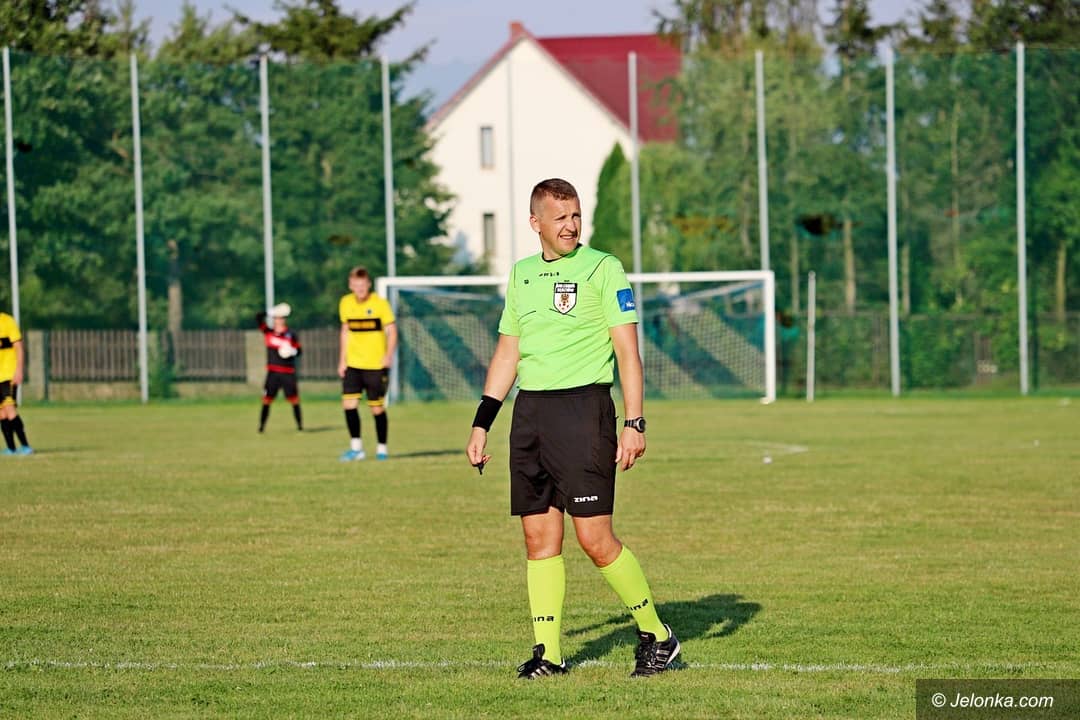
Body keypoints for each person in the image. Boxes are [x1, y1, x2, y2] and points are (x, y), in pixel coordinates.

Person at [465, 178, 679, 679]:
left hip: (585, 412)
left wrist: (634, 422)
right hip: (530, 415)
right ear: (535, 223)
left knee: (594, 539)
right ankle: (550, 653)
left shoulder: (604, 268)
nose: (571, 225)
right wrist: (481, 423)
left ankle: (658, 636)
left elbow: (628, 353)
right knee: (538, 539)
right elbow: (508, 353)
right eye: (560, 217)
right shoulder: (521, 275)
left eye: (576, 215)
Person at [338, 267, 397, 461]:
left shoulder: (380, 304)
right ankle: (356, 449)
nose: (360, 289)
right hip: (353, 364)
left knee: (376, 408)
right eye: (356, 285)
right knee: (349, 404)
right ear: (350, 285)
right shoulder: (345, 303)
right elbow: (345, 331)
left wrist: (388, 355)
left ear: (368, 285)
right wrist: (342, 360)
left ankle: (382, 449)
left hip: (375, 365)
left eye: (362, 285)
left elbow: (392, 331)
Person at [256, 302, 303, 433]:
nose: (279, 320)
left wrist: (292, 351)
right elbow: (258, 317)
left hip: (288, 372)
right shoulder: (268, 332)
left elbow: (299, 351)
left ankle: (300, 427)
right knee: (266, 400)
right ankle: (261, 427)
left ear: (284, 319)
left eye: (281, 318)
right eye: (277, 318)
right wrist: (270, 312)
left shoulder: (291, 334)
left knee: (294, 400)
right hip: (273, 372)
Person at [0, 311, 33, 455]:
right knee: (2, 413)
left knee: (9, 408)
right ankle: (11, 448)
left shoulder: (7, 321)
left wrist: (19, 370)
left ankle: (25, 446)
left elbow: (18, 347)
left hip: (8, 374)